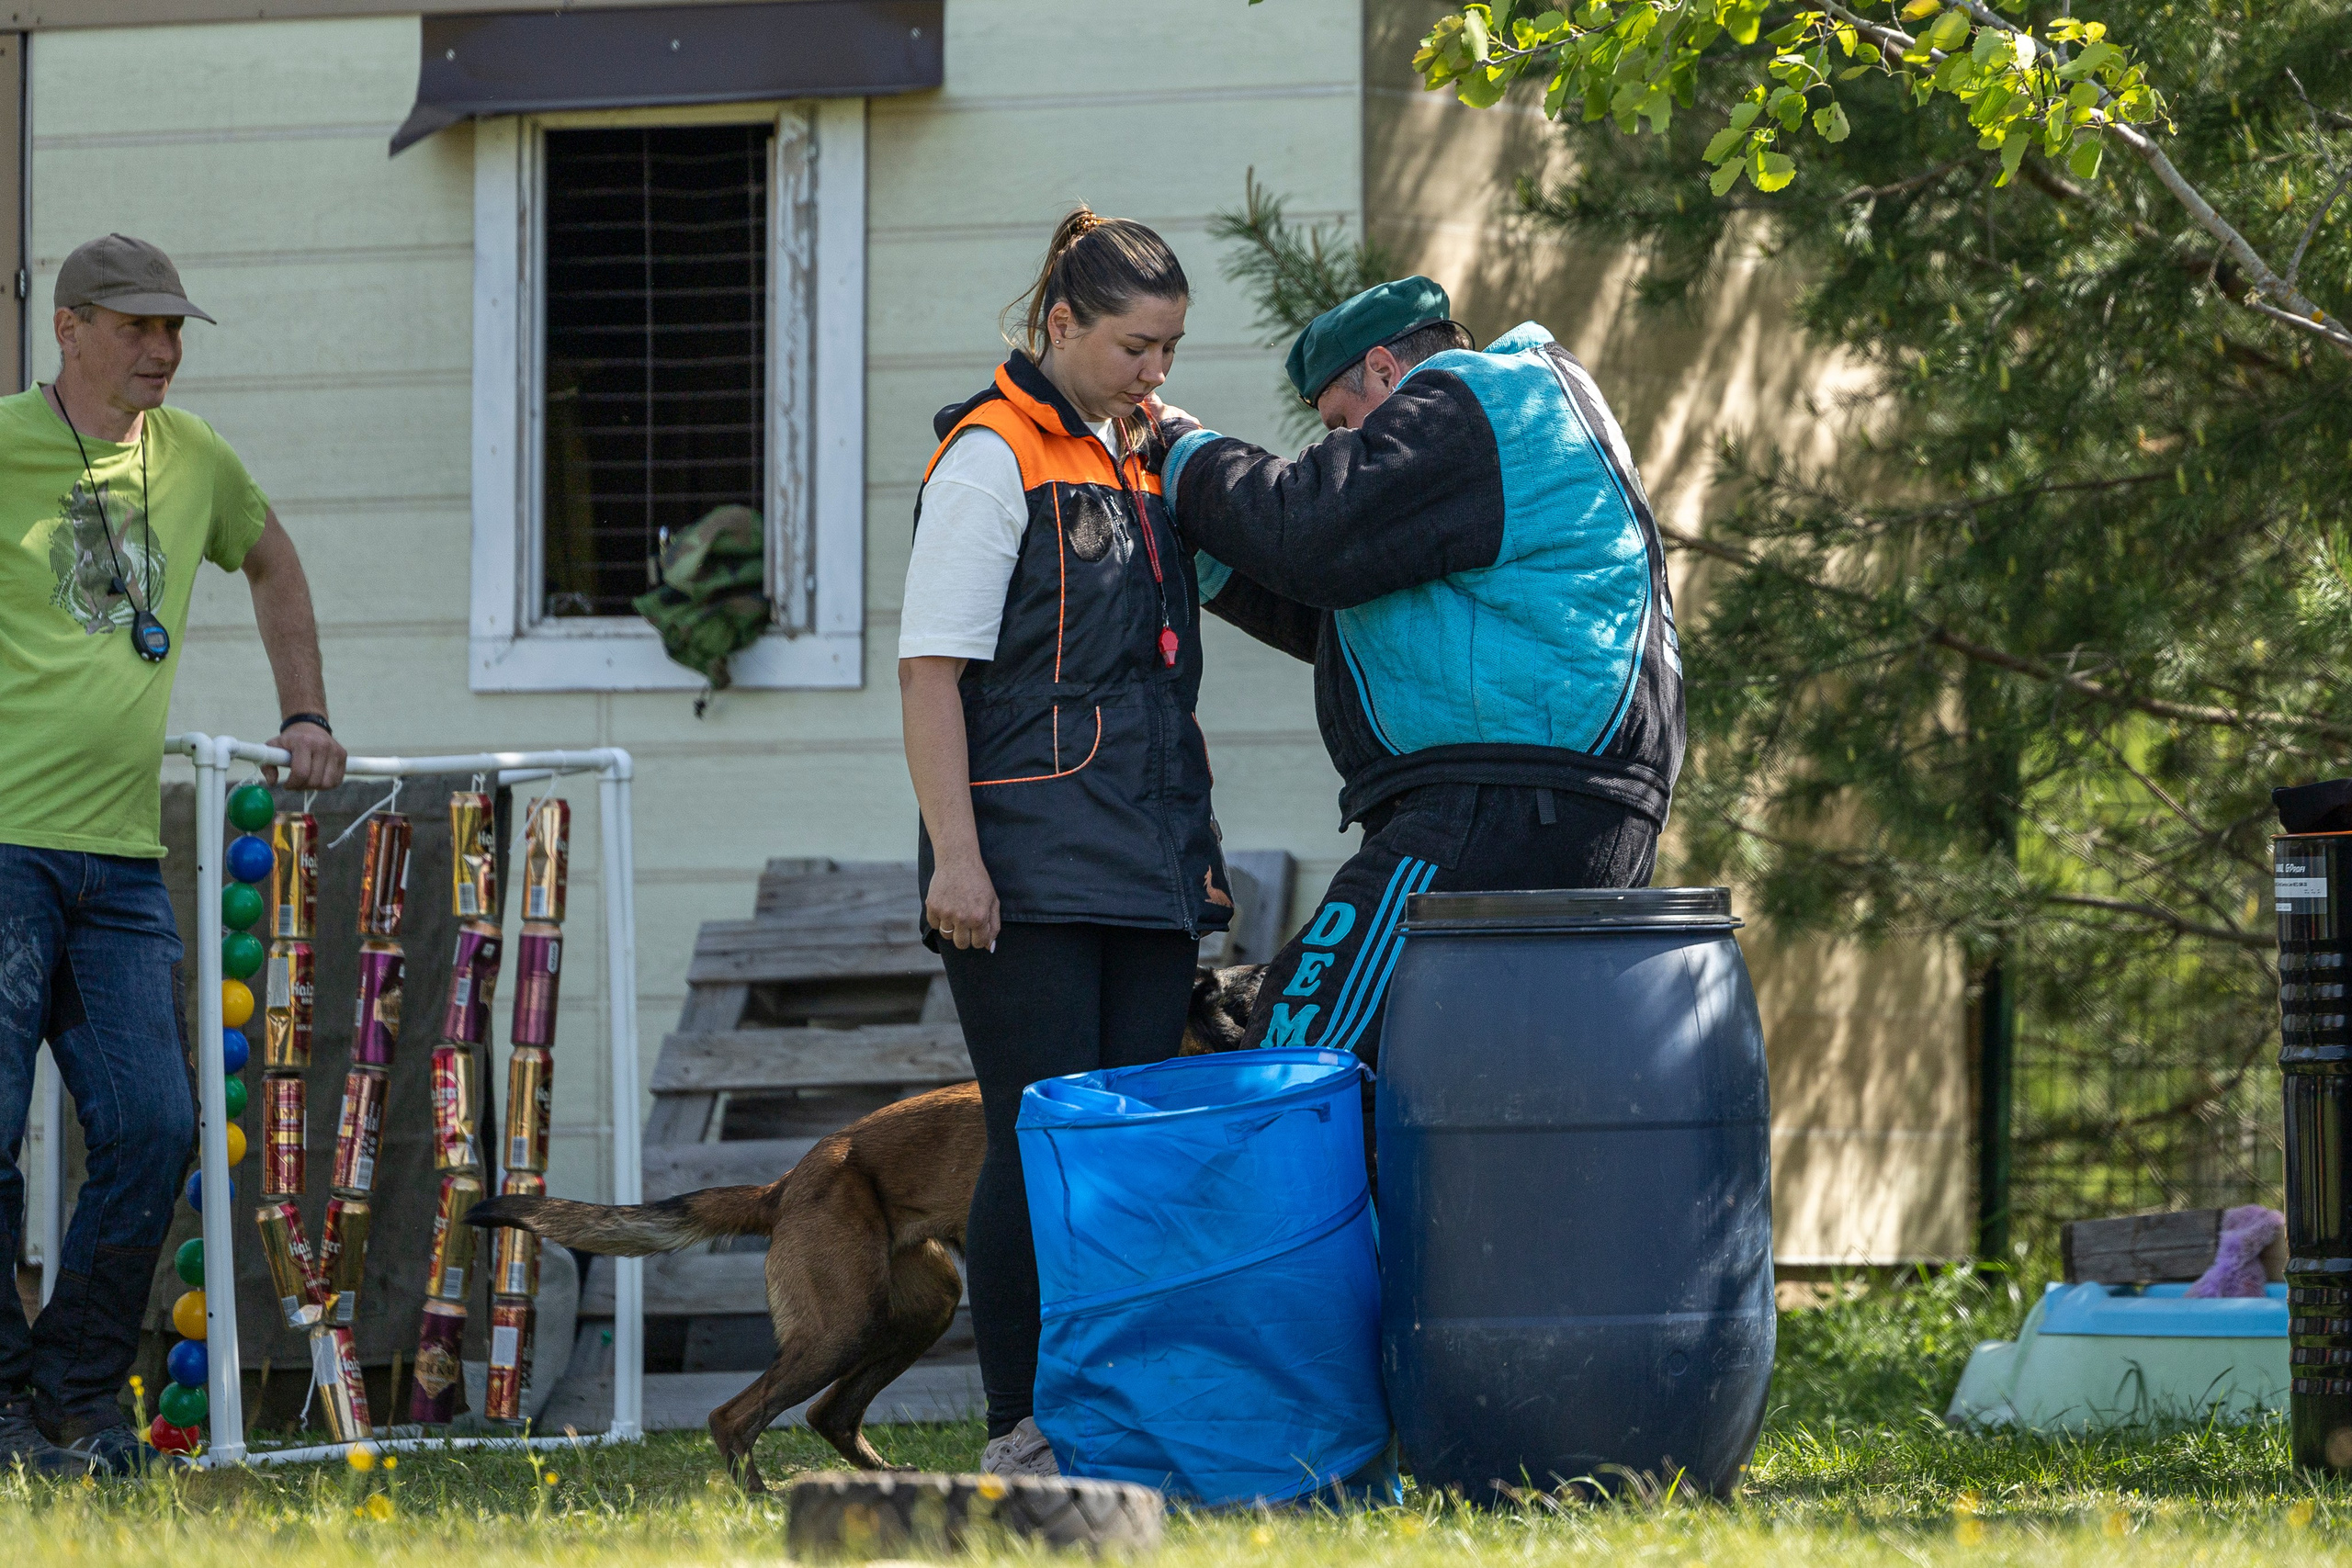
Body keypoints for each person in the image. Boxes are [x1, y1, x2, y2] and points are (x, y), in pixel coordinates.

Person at [0, 233, 347, 1475]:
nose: (165, 348)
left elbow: (271, 561)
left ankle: (78, 1394)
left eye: (176, 329)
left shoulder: (193, 457)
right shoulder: (3, 446)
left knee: (153, 1125)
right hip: (3, 850)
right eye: (140, 327)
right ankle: (6, 1407)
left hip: (121, 864)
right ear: (72, 325)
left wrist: (304, 710)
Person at [899, 208, 1232, 1479]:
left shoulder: (1133, 456)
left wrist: (1190, 854)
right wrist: (956, 858)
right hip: (1022, 862)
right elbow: (931, 676)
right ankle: (1019, 1422)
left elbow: (1155, 677)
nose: (1158, 371)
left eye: (1171, 347)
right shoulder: (991, 456)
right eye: (1137, 346)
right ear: (1061, 326)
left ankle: (1115, 1408)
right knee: (1044, 1134)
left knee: (1128, 1142)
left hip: (1141, 862)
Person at [1159, 276, 1684, 1079]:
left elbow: (1313, 527)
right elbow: (1343, 616)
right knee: (1431, 1084)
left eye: (1340, 424)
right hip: (1558, 805)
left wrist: (1183, 449)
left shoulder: (1477, 395)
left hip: (1496, 804)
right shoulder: (1516, 435)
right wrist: (1196, 556)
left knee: (1294, 1057)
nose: (1334, 447)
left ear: (1384, 370)